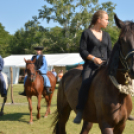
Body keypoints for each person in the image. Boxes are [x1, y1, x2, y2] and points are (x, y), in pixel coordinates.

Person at [73, 10, 112, 124]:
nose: (108, 22)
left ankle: (123, 110)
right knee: (85, 83)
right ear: (99, 20)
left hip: (106, 65)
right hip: (91, 65)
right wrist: (94, 58)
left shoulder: (107, 35)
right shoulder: (86, 33)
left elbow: (109, 51)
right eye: (106, 19)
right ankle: (80, 110)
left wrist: (109, 63)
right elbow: (82, 51)